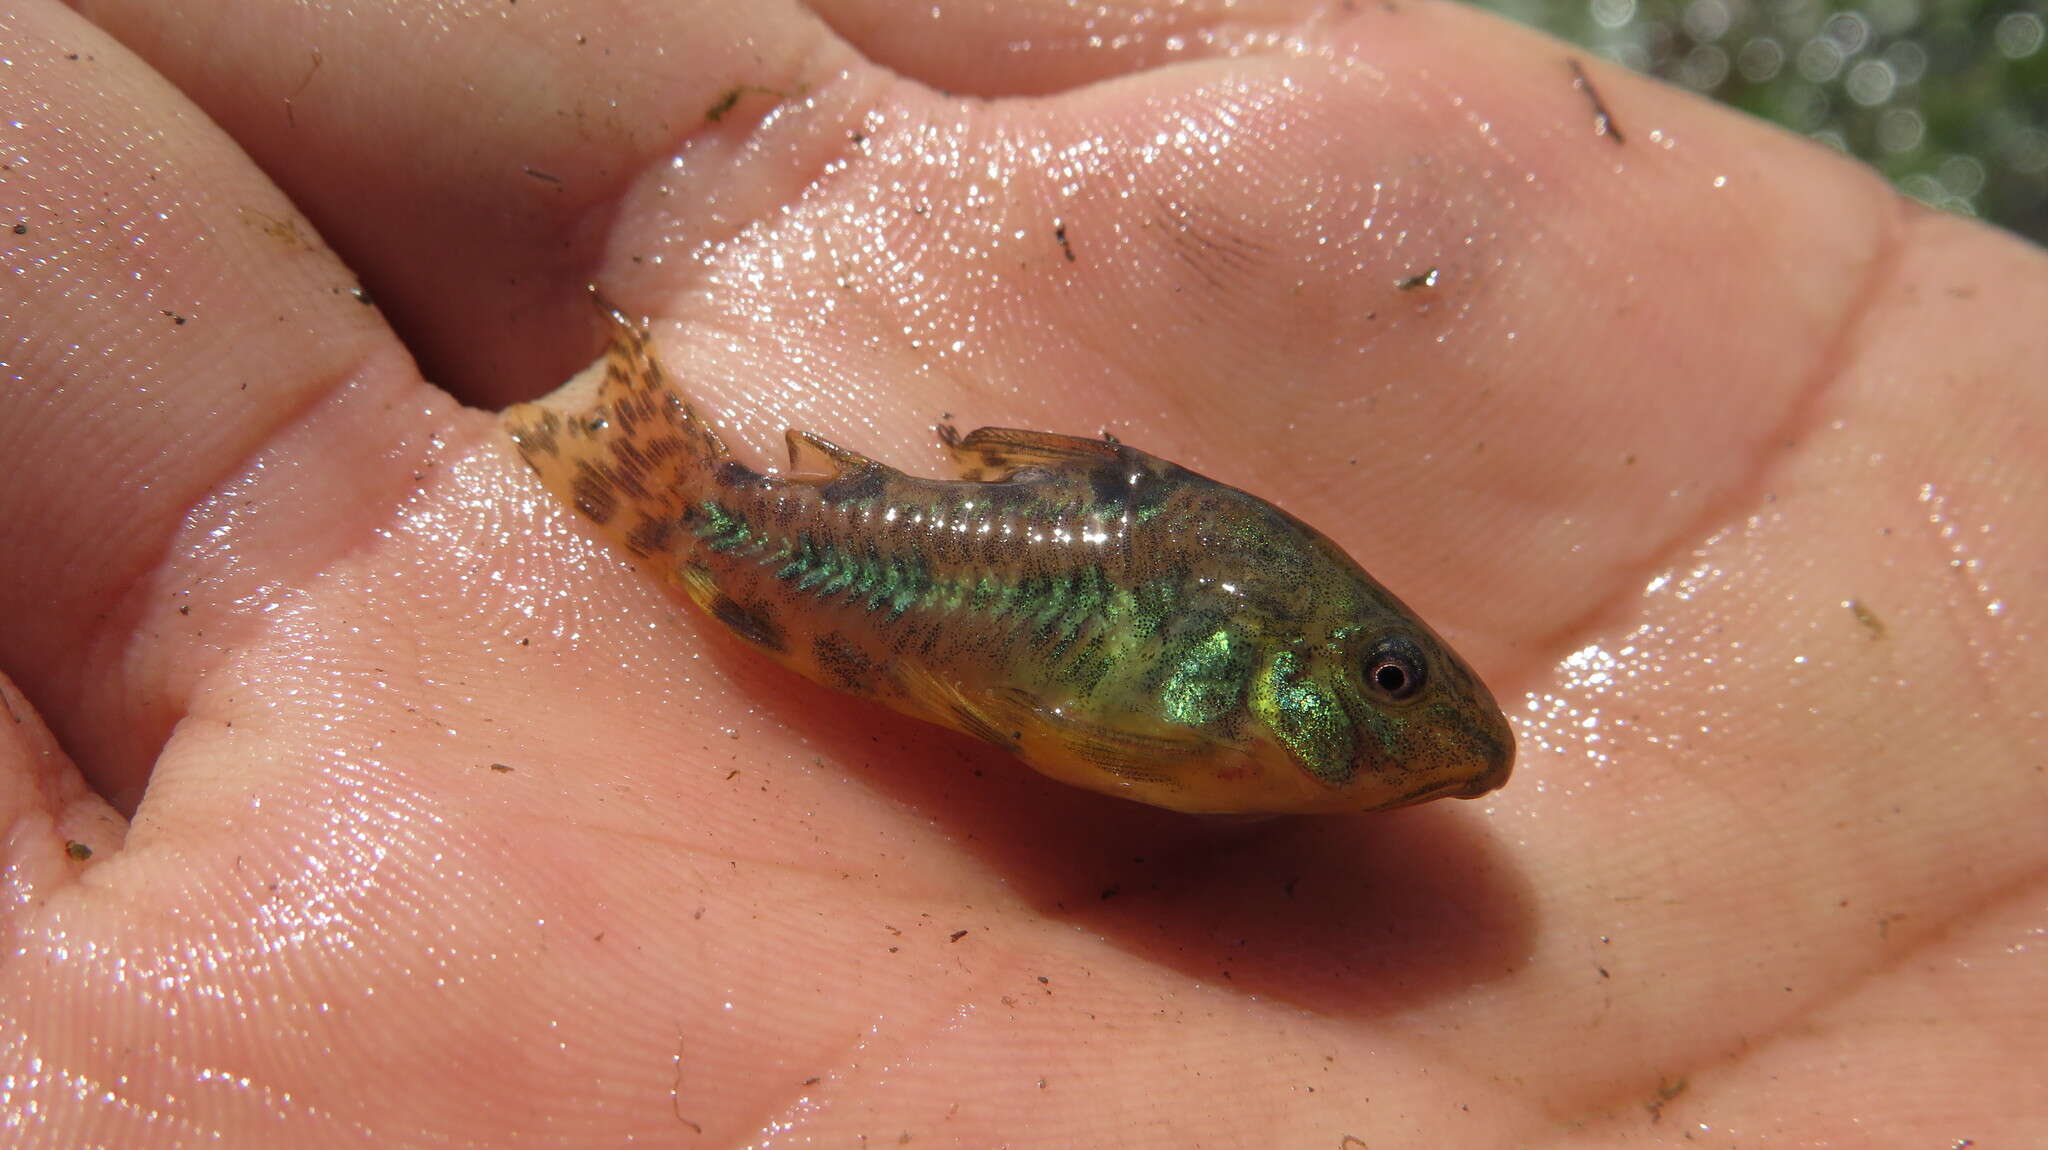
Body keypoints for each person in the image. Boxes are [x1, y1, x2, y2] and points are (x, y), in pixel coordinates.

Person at [2, 1, 2041, 1144]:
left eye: (1402, 688)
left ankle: (659, 483)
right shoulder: (1242, 678)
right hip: (935, 552)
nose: (1426, 731)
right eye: (1398, 693)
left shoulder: (1280, 699)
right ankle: (662, 488)